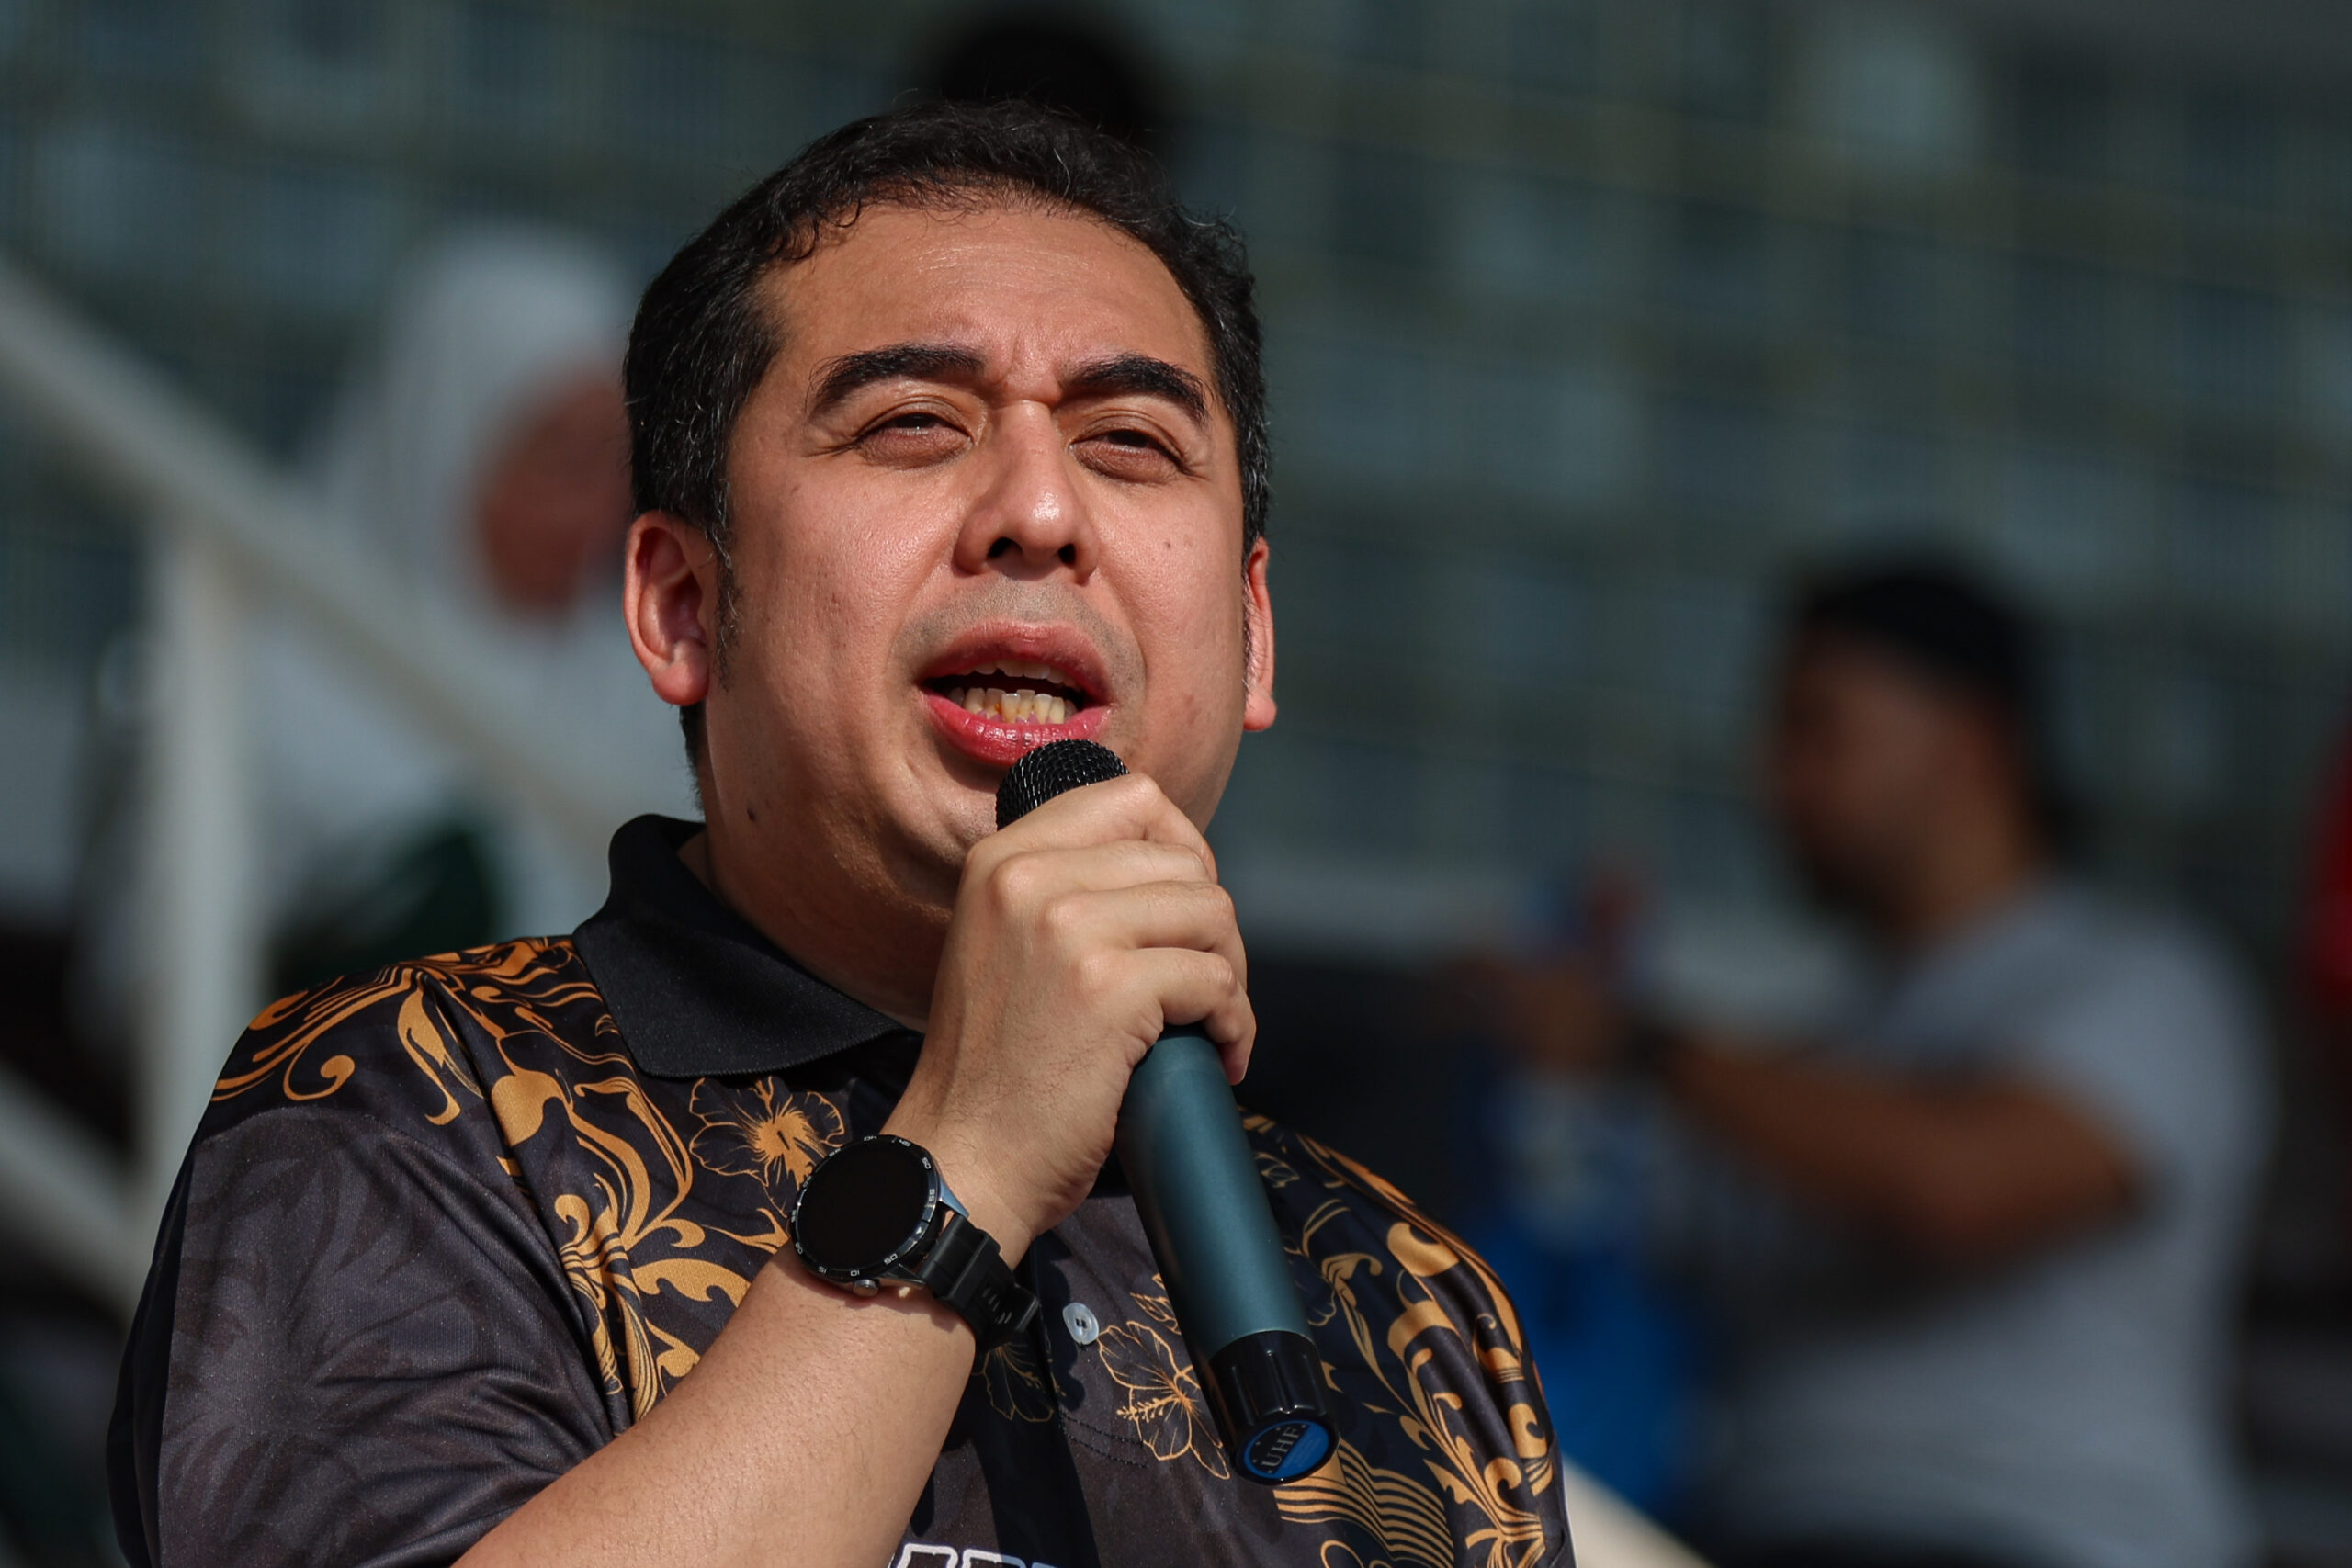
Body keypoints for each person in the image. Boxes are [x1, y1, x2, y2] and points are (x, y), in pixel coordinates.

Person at [108, 103, 1572, 1568]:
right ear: (684, 605)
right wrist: (969, 1157)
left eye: (1131, 443)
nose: (1040, 510)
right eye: (912, 425)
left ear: (1252, 632)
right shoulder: (408, 1112)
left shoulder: (1414, 1309)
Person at [1476, 563, 2271, 1568]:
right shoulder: (1800, 1057)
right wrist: (1545, 1068)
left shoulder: (2147, 986)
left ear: (1972, 745)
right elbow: (1601, 1258)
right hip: (1751, 1532)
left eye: (1821, 730)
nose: (1775, 777)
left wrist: (1639, 1043)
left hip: (2050, 1538)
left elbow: (1961, 1185)